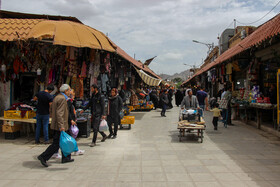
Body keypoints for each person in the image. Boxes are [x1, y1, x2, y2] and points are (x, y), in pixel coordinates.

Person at [37, 84, 74, 167]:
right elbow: (59, 113)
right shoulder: (61, 99)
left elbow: (51, 110)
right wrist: (61, 126)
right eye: (69, 90)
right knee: (56, 144)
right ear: (65, 91)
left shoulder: (57, 97)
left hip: (60, 124)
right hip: (60, 125)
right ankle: (43, 157)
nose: (70, 92)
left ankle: (66, 157)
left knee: (65, 141)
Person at [68, 89, 85, 156]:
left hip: (71, 121)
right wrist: (71, 120)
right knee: (70, 137)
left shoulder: (71, 102)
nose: (74, 96)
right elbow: (67, 112)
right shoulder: (68, 102)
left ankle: (76, 150)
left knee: (71, 137)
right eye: (72, 94)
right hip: (69, 122)